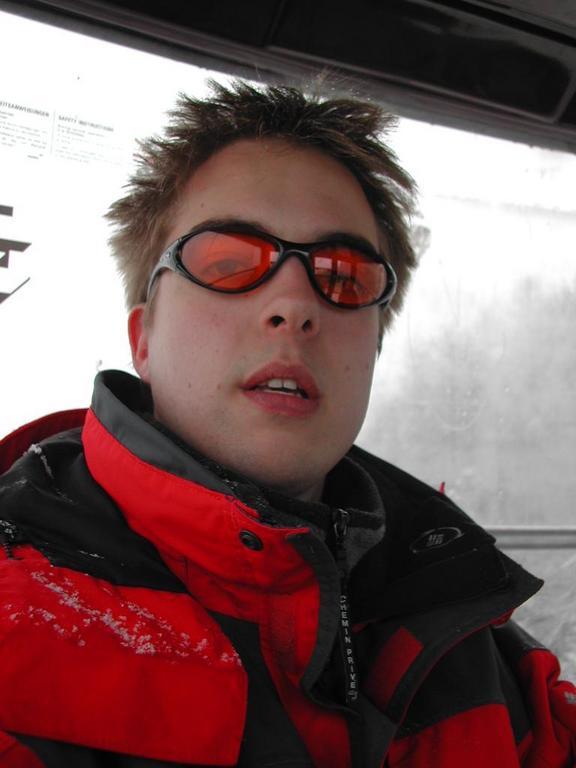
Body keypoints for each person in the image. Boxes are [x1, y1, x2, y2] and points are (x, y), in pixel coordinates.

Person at [0, 79, 574, 768]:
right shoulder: (20, 621)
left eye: (343, 276)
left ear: (375, 343)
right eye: (229, 262)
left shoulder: (467, 631)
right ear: (143, 337)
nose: (295, 305)